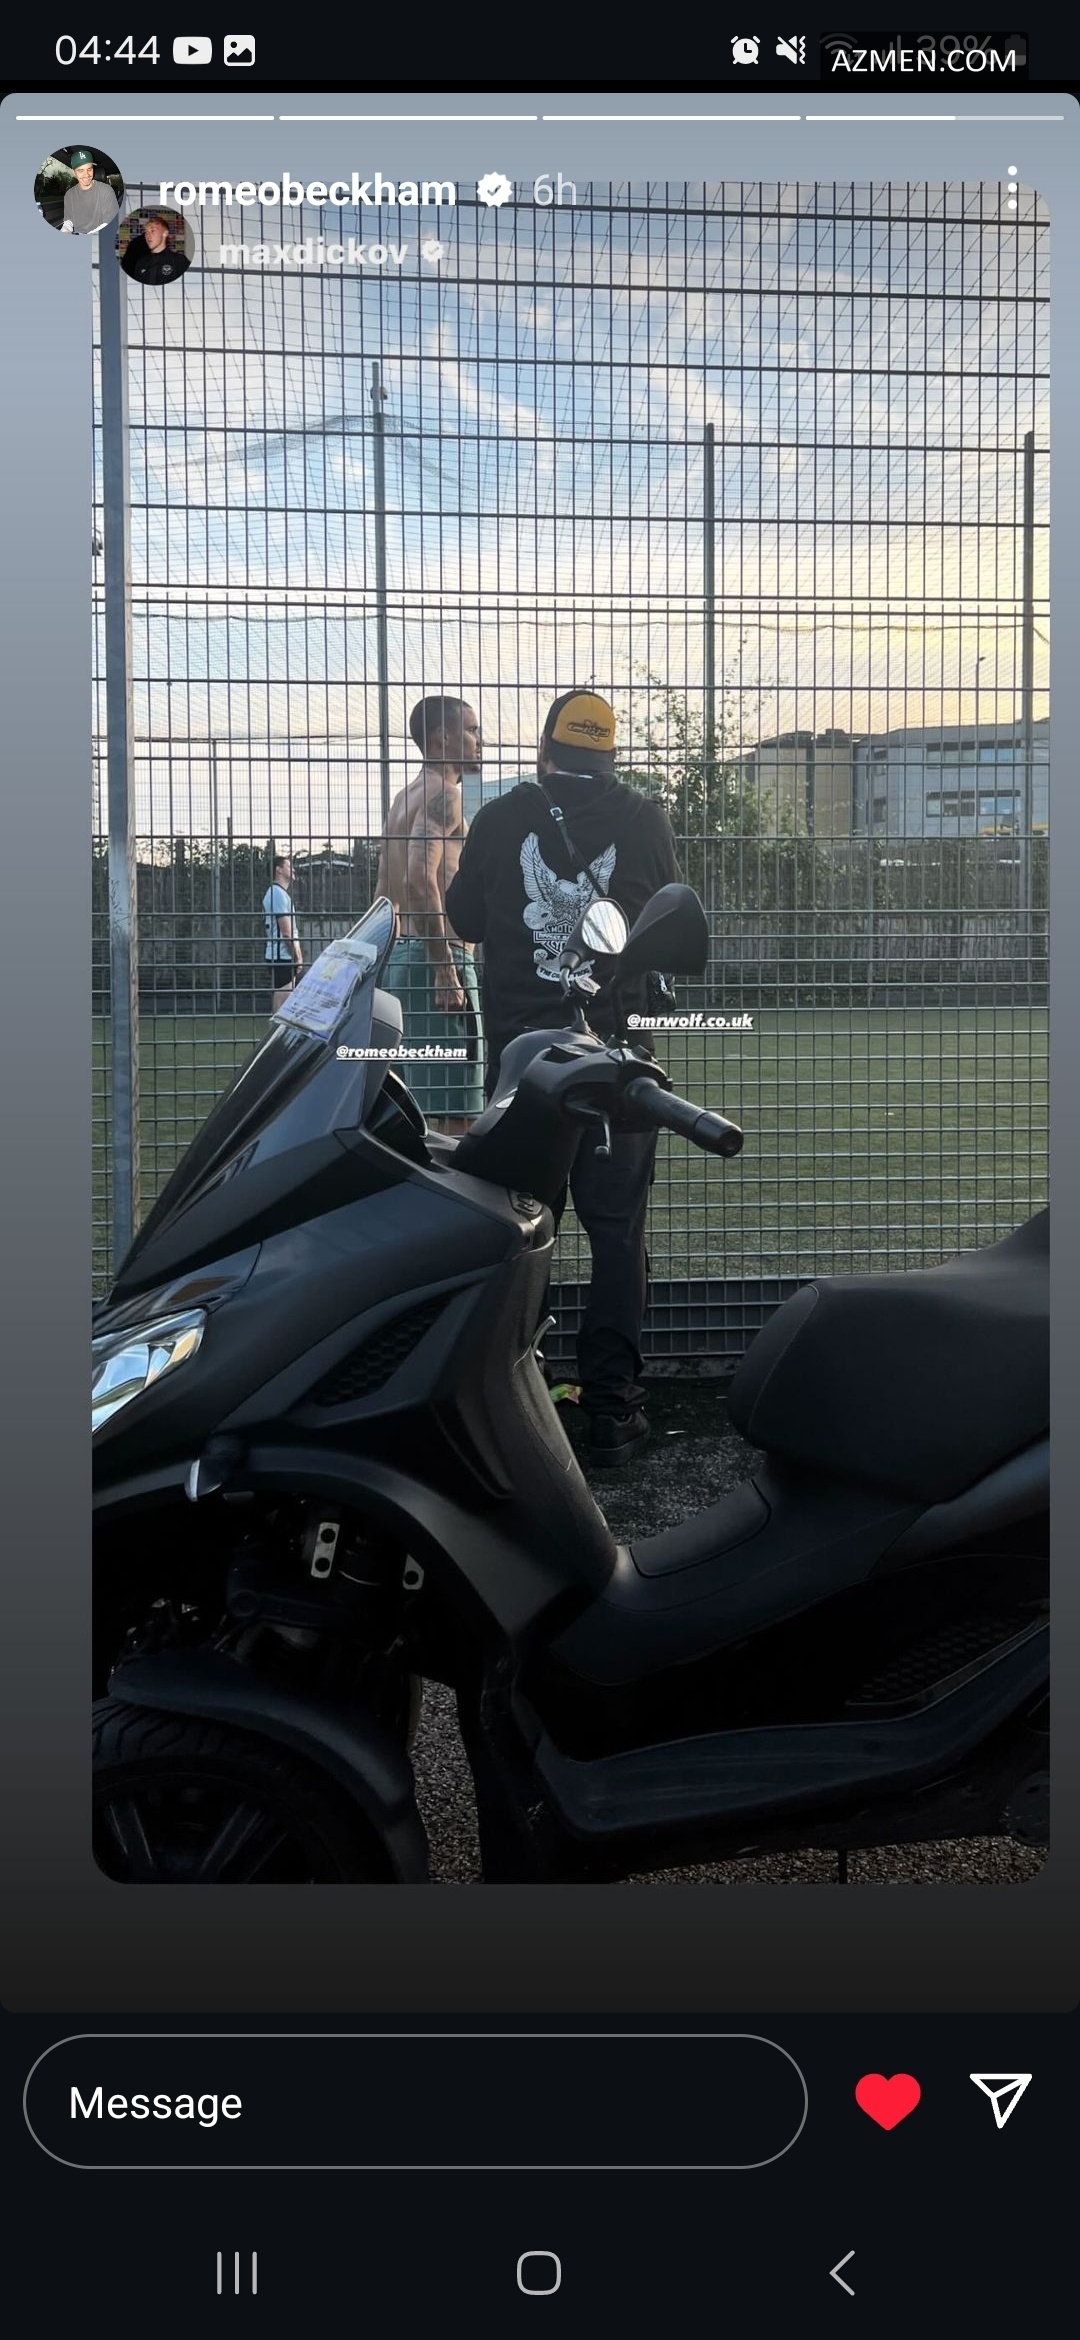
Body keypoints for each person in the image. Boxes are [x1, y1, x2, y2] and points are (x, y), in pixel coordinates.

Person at [445, 689, 681, 1466]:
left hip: (526, 1062)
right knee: (617, 1236)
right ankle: (612, 1412)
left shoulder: (501, 818)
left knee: (517, 1235)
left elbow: (465, 922)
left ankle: (515, 1404)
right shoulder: (647, 822)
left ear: (544, 751)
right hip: (617, 1063)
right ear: (611, 756)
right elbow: (668, 933)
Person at [377, 696, 486, 1135]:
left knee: (417, 1113)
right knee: (459, 1117)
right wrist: (444, 969)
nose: (479, 741)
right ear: (442, 739)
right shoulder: (446, 796)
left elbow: (384, 893)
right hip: (439, 961)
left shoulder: (402, 799)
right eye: (472, 730)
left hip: (403, 961)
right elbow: (420, 879)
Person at [262, 854, 302, 1010]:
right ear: (278, 870)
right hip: (282, 956)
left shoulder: (279, 893)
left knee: (284, 1002)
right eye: (288, 866)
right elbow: (286, 932)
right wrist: (297, 956)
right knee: (282, 1004)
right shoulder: (277, 894)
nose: (293, 869)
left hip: (282, 955)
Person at [121, 212, 190, 285]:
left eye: (152, 231)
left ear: (165, 233)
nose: (148, 235)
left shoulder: (179, 261)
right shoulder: (141, 263)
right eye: (146, 232)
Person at [60, 150, 118, 235]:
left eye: (89, 169)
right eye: (81, 171)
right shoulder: (69, 194)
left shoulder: (106, 190)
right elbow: (68, 221)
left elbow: (110, 223)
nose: (86, 175)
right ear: (74, 173)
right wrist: (65, 231)